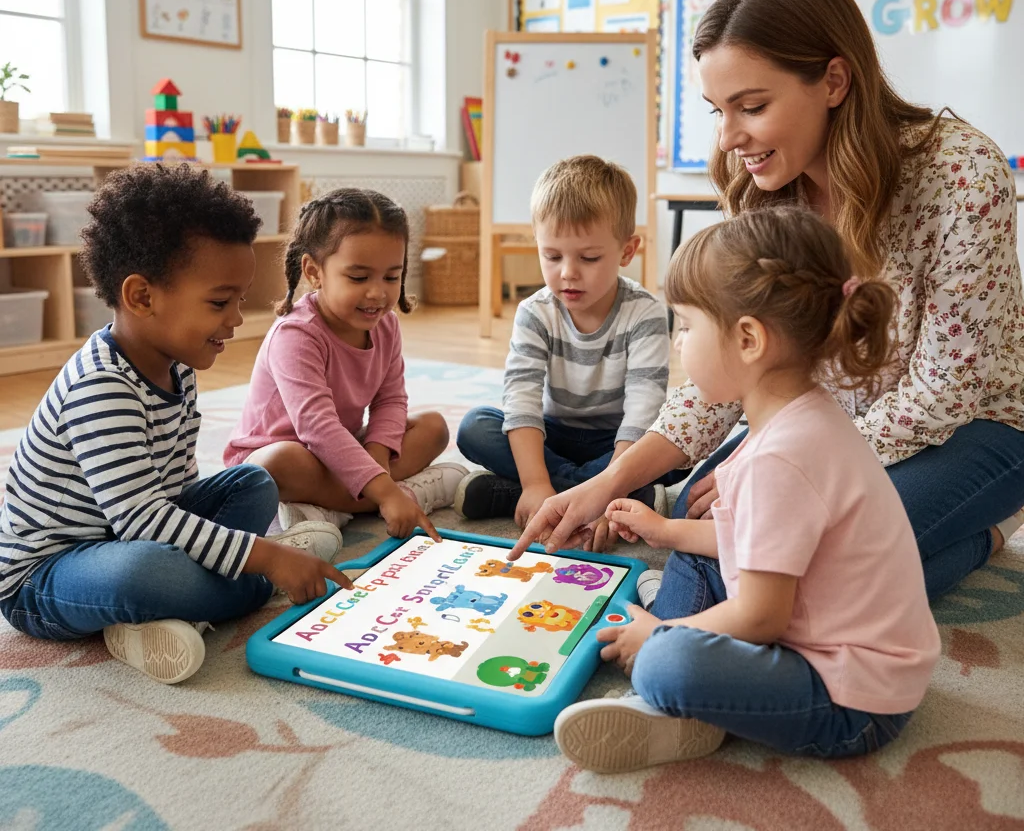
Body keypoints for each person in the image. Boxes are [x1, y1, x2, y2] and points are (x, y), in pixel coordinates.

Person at [510, 0, 1024, 599]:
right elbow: (726, 368)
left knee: (812, 559)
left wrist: (760, 468)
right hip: (813, 419)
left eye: (751, 106)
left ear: (834, 80)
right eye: (717, 110)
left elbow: (945, 390)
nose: (727, 138)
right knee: (707, 531)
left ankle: (985, 527)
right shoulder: (760, 190)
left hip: (976, 428)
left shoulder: (962, 173)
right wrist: (608, 482)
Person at [553, 207, 941, 772]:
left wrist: (660, 633)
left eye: (686, 326)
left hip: (850, 698)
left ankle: (675, 700)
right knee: (691, 545)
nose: (679, 342)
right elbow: (760, 537)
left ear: (749, 339)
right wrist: (665, 530)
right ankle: (685, 679)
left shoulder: (782, 457)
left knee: (667, 664)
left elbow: (762, 617)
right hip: (835, 645)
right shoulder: (802, 418)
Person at [0, 165, 347, 685]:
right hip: (45, 577)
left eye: (239, 300)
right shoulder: (102, 387)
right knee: (142, 573)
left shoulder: (177, 364)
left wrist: (232, 546)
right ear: (142, 296)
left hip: (125, 530)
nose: (236, 319)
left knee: (252, 482)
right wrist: (266, 560)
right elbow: (142, 521)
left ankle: (174, 611)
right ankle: (245, 587)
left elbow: (176, 489)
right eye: (218, 302)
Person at [455, 155, 675, 551]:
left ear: (628, 251)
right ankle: (588, 494)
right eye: (552, 256)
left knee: (675, 449)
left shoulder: (645, 312)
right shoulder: (535, 312)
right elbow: (521, 398)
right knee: (475, 427)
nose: (568, 272)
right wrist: (536, 480)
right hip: (552, 434)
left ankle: (526, 494)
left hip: (618, 442)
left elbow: (644, 409)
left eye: (589, 258)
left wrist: (616, 478)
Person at [225, 187, 464, 542]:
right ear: (314, 271)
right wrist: (385, 491)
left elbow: (391, 400)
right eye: (358, 277)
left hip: (344, 450)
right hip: (284, 456)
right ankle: (405, 496)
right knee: (275, 464)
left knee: (433, 427)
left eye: (391, 276)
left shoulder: (386, 324)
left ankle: (332, 506)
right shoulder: (296, 334)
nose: (378, 293)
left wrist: (378, 458)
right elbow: (316, 427)